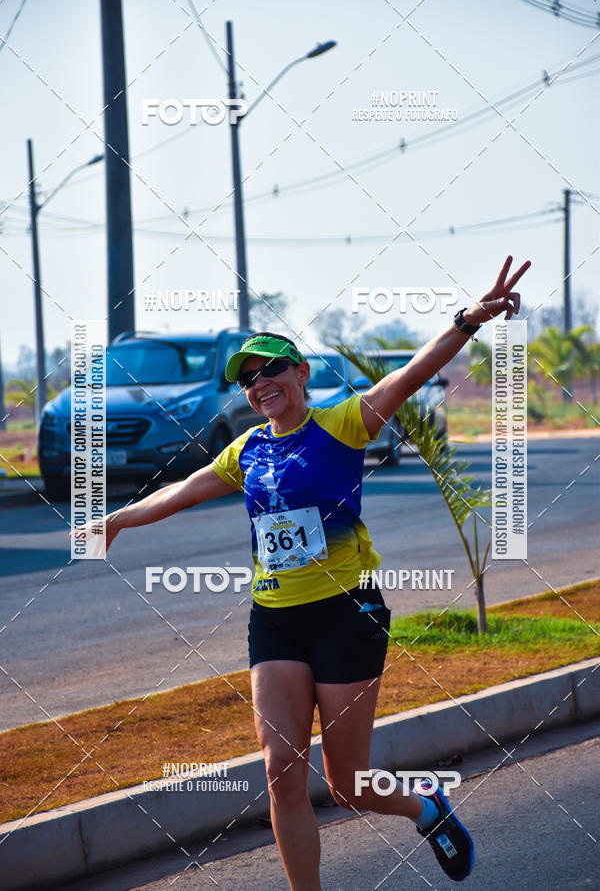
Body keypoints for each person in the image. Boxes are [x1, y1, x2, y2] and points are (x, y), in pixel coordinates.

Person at [74, 255, 530, 889]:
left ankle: (426, 808)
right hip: (277, 621)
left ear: (301, 374)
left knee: (348, 787)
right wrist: (119, 519)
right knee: (280, 772)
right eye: (249, 379)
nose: (260, 384)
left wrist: (467, 319)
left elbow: (412, 371)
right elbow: (181, 489)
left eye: (271, 370)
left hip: (348, 614)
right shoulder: (247, 450)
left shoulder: (344, 425)